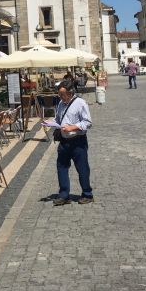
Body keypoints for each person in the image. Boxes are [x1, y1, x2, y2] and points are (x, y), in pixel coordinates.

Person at [52, 78, 93, 206]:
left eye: (63, 95)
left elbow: (87, 122)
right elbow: (58, 119)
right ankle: (64, 195)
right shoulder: (60, 104)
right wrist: (52, 123)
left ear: (70, 93)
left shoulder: (80, 103)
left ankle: (87, 194)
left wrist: (72, 127)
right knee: (61, 167)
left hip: (78, 141)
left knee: (82, 168)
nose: (61, 97)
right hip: (64, 142)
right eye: (59, 95)